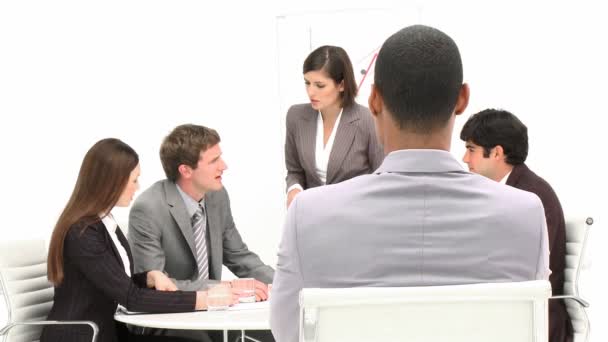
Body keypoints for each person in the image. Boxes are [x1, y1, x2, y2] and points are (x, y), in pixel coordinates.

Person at [270, 25, 550, 342]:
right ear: (462, 99)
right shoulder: (526, 213)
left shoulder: (307, 213)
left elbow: (286, 331)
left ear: (373, 100)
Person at [41, 138, 225, 342]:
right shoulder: (83, 232)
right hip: (84, 336)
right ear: (112, 182)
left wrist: (148, 277)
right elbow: (132, 298)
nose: (137, 188)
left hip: (108, 332)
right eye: (134, 180)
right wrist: (204, 299)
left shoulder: (104, 222)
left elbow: (113, 280)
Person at [129, 124, 274, 341]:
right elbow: (158, 286)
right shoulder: (148, 208)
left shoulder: (217, 196)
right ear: (186, 170)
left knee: (274, 331)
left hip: (214, 312)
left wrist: (285, 285)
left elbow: (238, 255)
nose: (224, 166)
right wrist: (226, 287)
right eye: (214, 161)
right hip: (169, 318)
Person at [460, 108, 571, 342]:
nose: (465, 159)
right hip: (511, 312)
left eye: (471, 150)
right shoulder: (507, 191)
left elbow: (520, 272)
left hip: (534, 320)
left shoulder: (530, 198)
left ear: (497, 153)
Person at [285, 45, 384, 207]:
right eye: (307, 83)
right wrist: (294, 189)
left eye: (319, 85)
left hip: (355, 219)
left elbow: (381, 178)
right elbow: (294, 171)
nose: (311, 92)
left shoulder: (367, 120)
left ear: (342, 85)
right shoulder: (296, 117)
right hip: (311, 218)